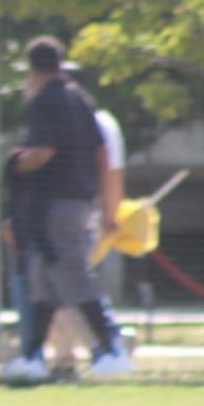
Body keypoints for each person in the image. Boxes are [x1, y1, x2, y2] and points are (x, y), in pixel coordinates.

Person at [0, 38, 130, 383]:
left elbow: (42, 152)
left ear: (31, 68)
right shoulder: (79, 98)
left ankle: (112, 348)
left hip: (55, 202)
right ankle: (32, 358)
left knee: (71, 272)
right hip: (78, 200)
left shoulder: (46, 100)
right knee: (43, 279)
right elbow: (102, 152)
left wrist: (14, 163)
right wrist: (103, 202)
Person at [45, 62, 127, 379]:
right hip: (76, 213)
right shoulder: (78, 120)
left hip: (81, 214)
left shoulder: (97, 122)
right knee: (59, 286)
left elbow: (111, 170)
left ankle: (106, 345)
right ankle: (65, 359)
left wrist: (109, 213)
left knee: (71, 284)